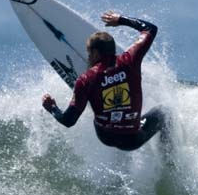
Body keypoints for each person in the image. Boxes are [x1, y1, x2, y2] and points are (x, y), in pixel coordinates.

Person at [41, 11, 168, 151]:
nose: (88, 57)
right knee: (164, 112)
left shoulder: (84, 79)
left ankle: (98, 104)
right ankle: (168, 155)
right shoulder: (131, 60)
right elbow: (150, 28)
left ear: (95, 53)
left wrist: (52, 108)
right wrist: (121, 20)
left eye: (89, 53)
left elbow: (68, 121)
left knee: (94, 100)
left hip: (106, 136)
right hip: (133, 139)